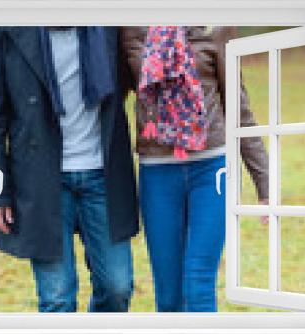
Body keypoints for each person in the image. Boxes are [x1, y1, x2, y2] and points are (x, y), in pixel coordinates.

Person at [0, 26, 139, 312]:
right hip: (40, 179)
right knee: (57, 298)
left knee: (118, 288)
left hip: (103, 174)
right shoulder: (4, 28)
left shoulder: (108, 24)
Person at [120, 26, 269, 312]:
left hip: (211, 168)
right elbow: (109, 99)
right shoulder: (130, 29)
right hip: (157, 171)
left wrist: (264, 182)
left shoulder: (215, 25)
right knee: (169, 294)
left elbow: (238, 105)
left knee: (199, 284)